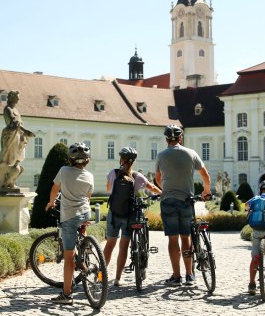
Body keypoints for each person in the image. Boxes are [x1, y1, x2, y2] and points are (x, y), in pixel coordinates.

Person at [154, 125, 211, 286]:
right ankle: (189, 275)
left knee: (173, 238)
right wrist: (206, 191)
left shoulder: (161, 155)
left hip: (168, 200)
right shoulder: (191, 153)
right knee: (185, 237)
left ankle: (176, 276)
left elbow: (157, 178)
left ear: (166, 139)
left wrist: (165, 189)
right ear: (180, 138)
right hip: (186, 200)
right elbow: (205, 175)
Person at [103, 146, 161, 287]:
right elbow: (151, 188)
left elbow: (108, 189)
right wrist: (162, 192)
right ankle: (117, 279)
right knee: (124, 247)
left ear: (121, 160)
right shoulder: (137, 177)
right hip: (129, 215)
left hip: (114, 214)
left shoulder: (113, 173)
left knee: (110, 245)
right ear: (133, 161)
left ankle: (101, 276)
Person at [45, 142, 94, 305]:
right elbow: (88, 197)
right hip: (86, 213)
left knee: (68, 257)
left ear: (70, 159)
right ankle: (85, 250)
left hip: (69, 216)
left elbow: (54, 190)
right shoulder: (90, 176)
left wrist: (51, 203)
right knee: (82, 224)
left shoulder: (64, 171)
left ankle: (66, 295)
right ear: (87, 160)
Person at [0, 90, 35, 191]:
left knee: (15, 158)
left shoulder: (16, 110)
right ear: (12, 97)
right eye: (17, 97)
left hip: (17, 136)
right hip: (10, 135)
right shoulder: (7, 109)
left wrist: (25, 133)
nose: (18, 99)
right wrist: (25, 131)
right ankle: (0, 183)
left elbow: (20, 124)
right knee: (6, 158)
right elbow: (14, 123)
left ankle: (11, 182)